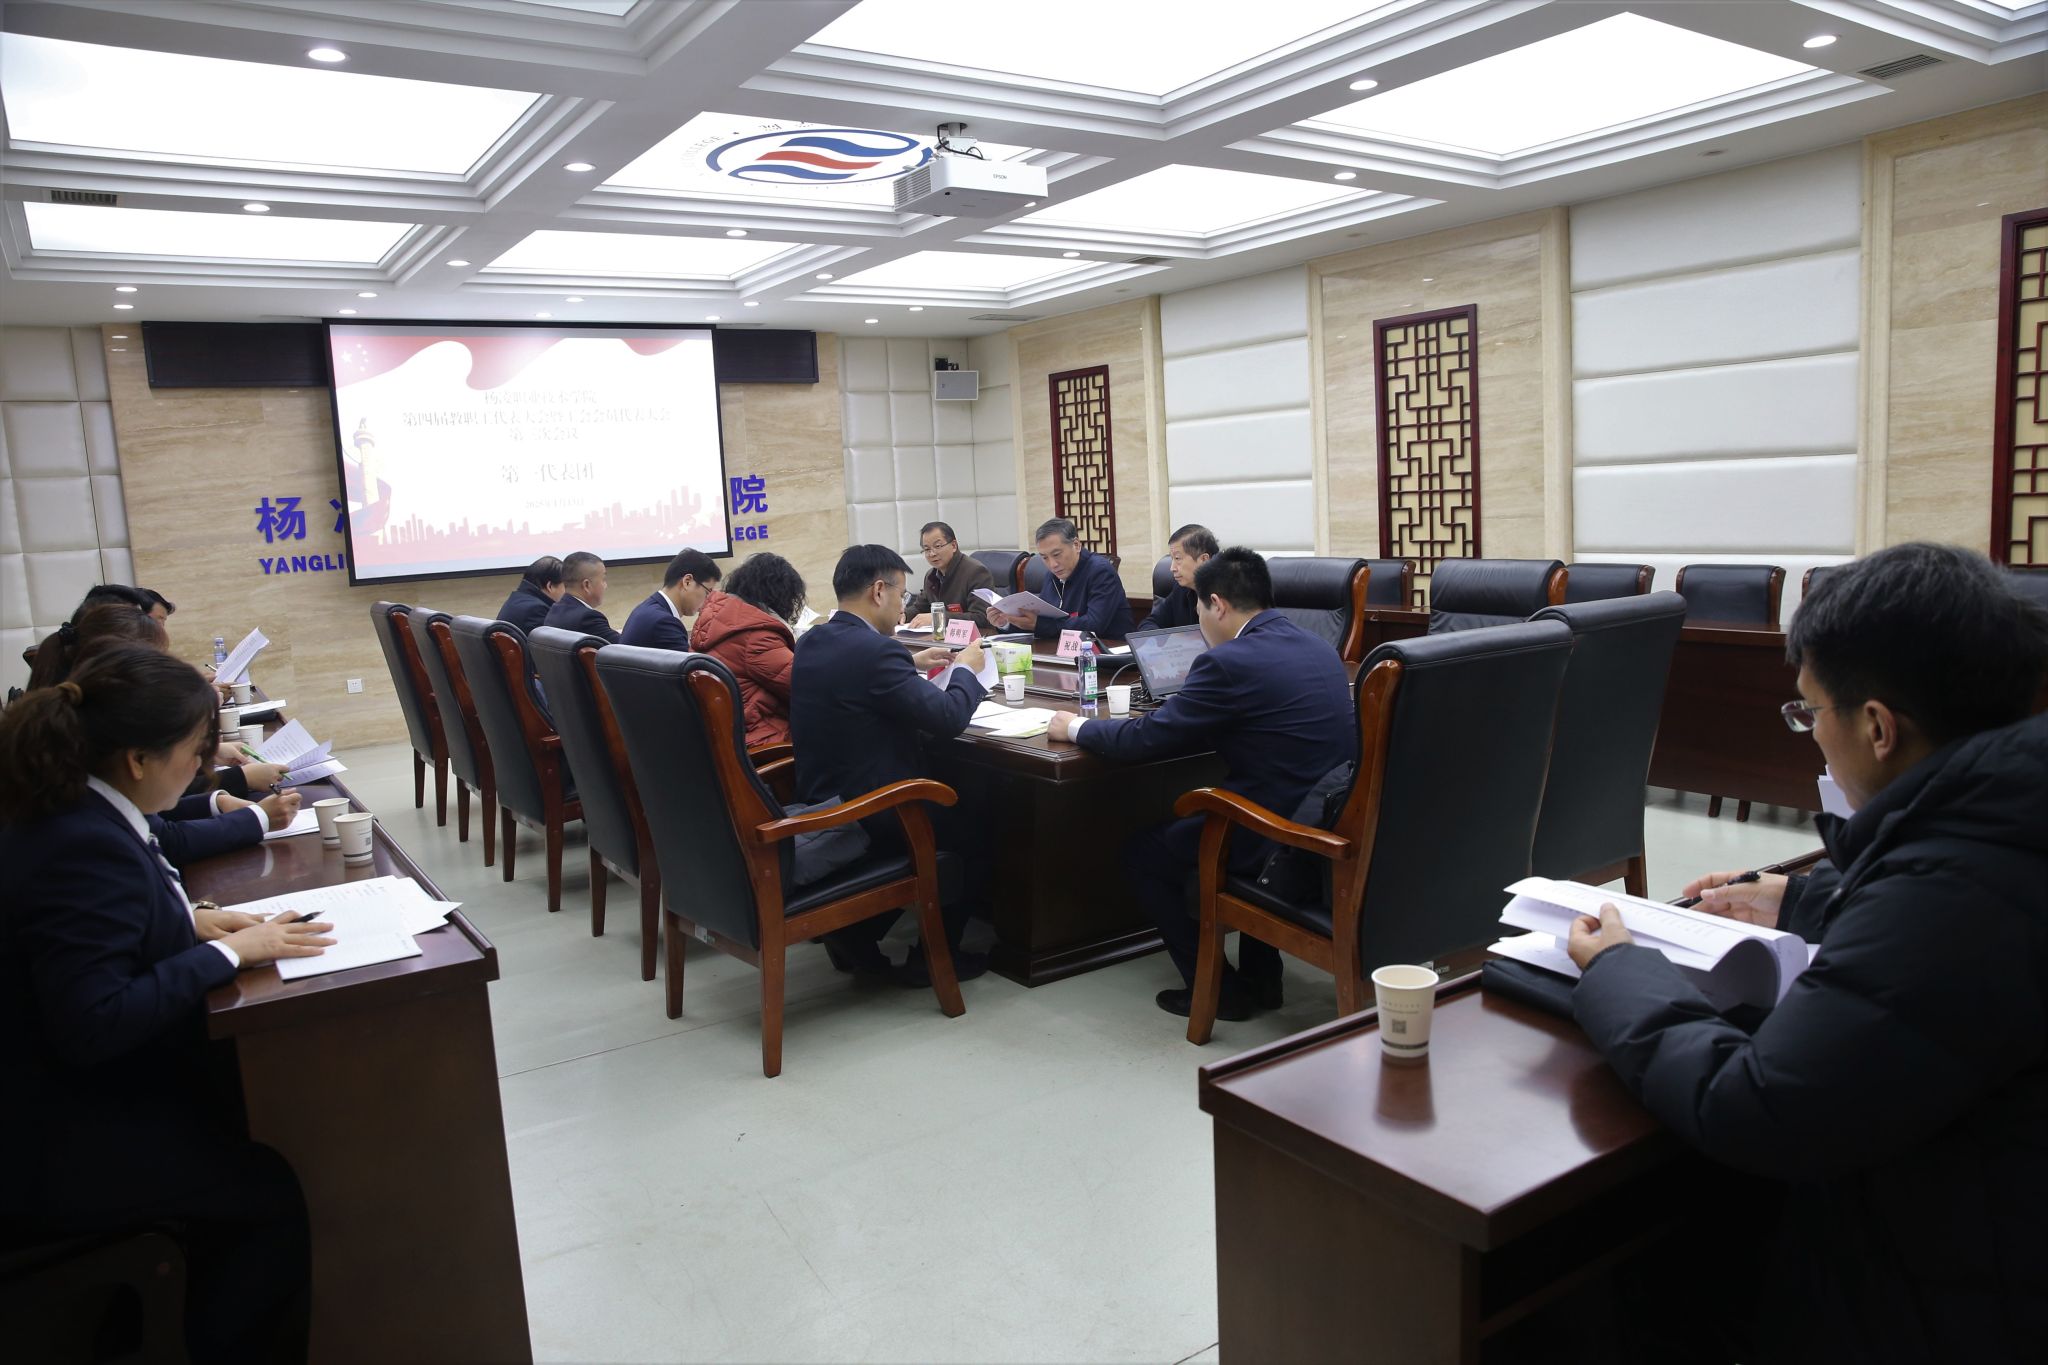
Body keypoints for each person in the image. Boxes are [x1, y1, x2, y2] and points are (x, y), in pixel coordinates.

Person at [1564, 543, 2048, 1364]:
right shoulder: (2008, 814)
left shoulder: (1955, 892)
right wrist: (1802, 899)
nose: (1810, 732)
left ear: (1878, 727)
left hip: (1952, 1293)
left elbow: (1757, 1104)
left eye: (1810, 710)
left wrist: (1619, 967)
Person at [0, 645, 335, 1362]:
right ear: (137, 760)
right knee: (272, 1189)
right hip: (55, 1143)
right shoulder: (80, 843)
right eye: (195, 751)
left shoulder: (81, 807)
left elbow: (106, 933)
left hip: (57, 1095)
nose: (203, 767)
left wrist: (192, 922)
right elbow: (93, 1021)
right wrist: (229, 954)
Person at [1049, 547, 1354, 1021]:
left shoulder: (1228, 662)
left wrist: (1074, 727)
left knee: (1144, 855)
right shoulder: (1317, 644)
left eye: (1197, 607)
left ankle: (1217, 990)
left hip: (1277, 834)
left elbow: (1143, 739)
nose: (1198, 620)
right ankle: (1262, 978)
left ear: (1218, 604)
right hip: (1328, 814)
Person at [790, 545, 990, 980]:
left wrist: (909, 662)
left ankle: (856, 936)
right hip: (876, 810)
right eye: (901, 594)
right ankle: (935, 958)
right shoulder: (876, 652)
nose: (903, 606)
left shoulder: (813, 640)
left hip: (824, 796)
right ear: (878, 591)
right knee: (978, 827)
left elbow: (855, 679)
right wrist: (966, 670)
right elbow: (947, 718)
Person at [693, 552, 804, 747]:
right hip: (766, 739)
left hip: (729, 737)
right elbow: (806, 685)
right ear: (779, 595)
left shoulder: (715, 623)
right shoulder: (756, 637)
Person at [985, 518, 1130, 640]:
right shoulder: (1053, 574)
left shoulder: (1100, 571)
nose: (1052, 564)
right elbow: (1042, 622)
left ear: (1076, 545)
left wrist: (1040, 624)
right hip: (1061, 652)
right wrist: (1006, 622)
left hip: (1109, 653)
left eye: (1057, 554)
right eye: (1044, 558)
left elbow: (1094, 625)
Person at [903, 521, 996, 631]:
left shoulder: (976, 572)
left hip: (977, 638)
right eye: (927, 549)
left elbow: (982, 618)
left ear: (953, 546)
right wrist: (904, 615)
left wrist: (938, 618)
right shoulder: (931, 575)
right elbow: (920, 608)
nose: (932, 554)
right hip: (943, 637)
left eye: (938, 546)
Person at [621, 548, 720, 651]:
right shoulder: (664, 623)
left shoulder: (646, 609)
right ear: (687, 582)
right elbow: (688, 661)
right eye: (707, 593)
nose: (707, 601)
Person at [1134, 524, 1217, 631]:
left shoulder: (1227, 594)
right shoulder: (1182, 588)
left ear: (1204, 559)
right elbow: (1150, 623)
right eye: (1172, 558)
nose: (1172, 568)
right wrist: (1156, 640)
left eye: (1177, 558)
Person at [541, 550, 617, 643]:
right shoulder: (588, 619)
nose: (605, 586)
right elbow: (625, 645)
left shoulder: (555, 609)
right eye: (603, 579)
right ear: (587, 585)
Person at [496, 555, 565, 634]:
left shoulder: (516, 599)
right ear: (550, 586)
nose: (566, 592)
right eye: (565, 586)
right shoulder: (536, 610)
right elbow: (555, 640)